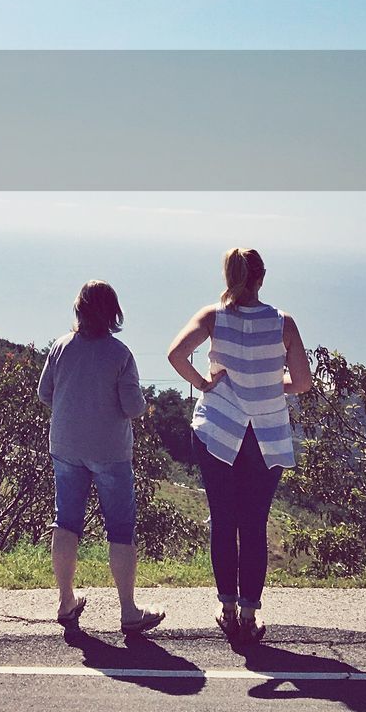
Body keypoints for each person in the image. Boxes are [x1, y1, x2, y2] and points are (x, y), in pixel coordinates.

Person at [166, 248, 312, 645]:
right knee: (253, 525)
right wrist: (270, 384)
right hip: (265, 436)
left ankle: (227, 608)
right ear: (261, 277)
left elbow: (176, 355)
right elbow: (301, 382)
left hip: (218, 430)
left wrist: (204, 383)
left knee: (223, 520)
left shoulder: (213, 316)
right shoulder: (283, 323)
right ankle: (249, 614)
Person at [37, 279, 165, 635]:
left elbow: (45, 393)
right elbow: (133, 407)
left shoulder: (60, 347)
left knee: (66, 523)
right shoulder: (120, 354)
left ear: (79, 309)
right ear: (113, 314)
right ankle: (128, 611)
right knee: (121, 529)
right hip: (110, 451)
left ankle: (65, 601)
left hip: (65, 445)